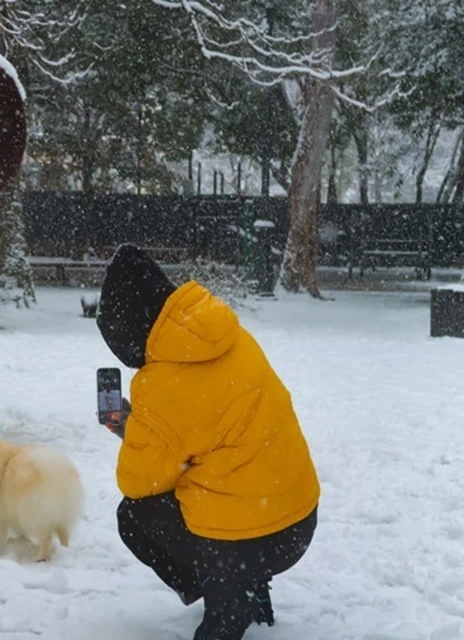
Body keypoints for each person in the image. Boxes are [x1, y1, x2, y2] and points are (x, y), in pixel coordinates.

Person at [95, 244, 320, 640]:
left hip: (241, 544)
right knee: (228, 473)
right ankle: (249, 586)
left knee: (133, 515)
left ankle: (227, 598)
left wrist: (136, 430)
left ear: (128, 329)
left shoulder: (160, 386)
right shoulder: (226, 335)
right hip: (298, 523)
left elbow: (138, 482)